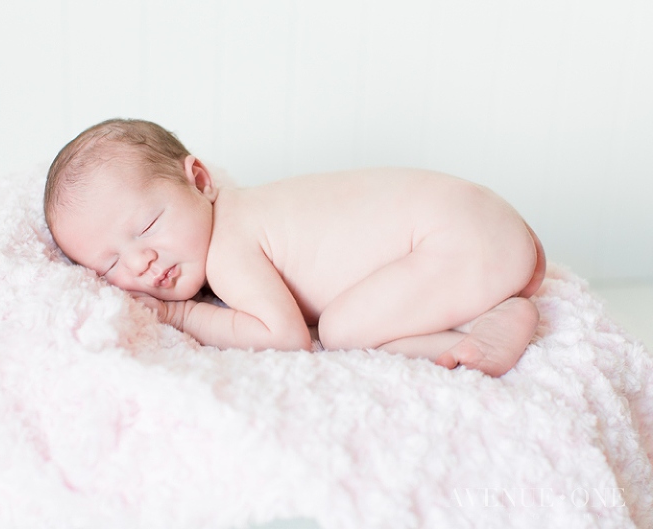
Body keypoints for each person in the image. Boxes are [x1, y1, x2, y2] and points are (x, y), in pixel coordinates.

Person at [44, 118, 546, 377]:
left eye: (149, 224)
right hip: (481, 226)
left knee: (342, 329)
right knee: (365, 317)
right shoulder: (252, 208)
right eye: (108, 264)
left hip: (456, 236)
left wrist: (180, 318)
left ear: (199, 180)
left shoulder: (228, 244)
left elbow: (286, 339)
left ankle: (480, 331)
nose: (138, 262)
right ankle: (492, 314)